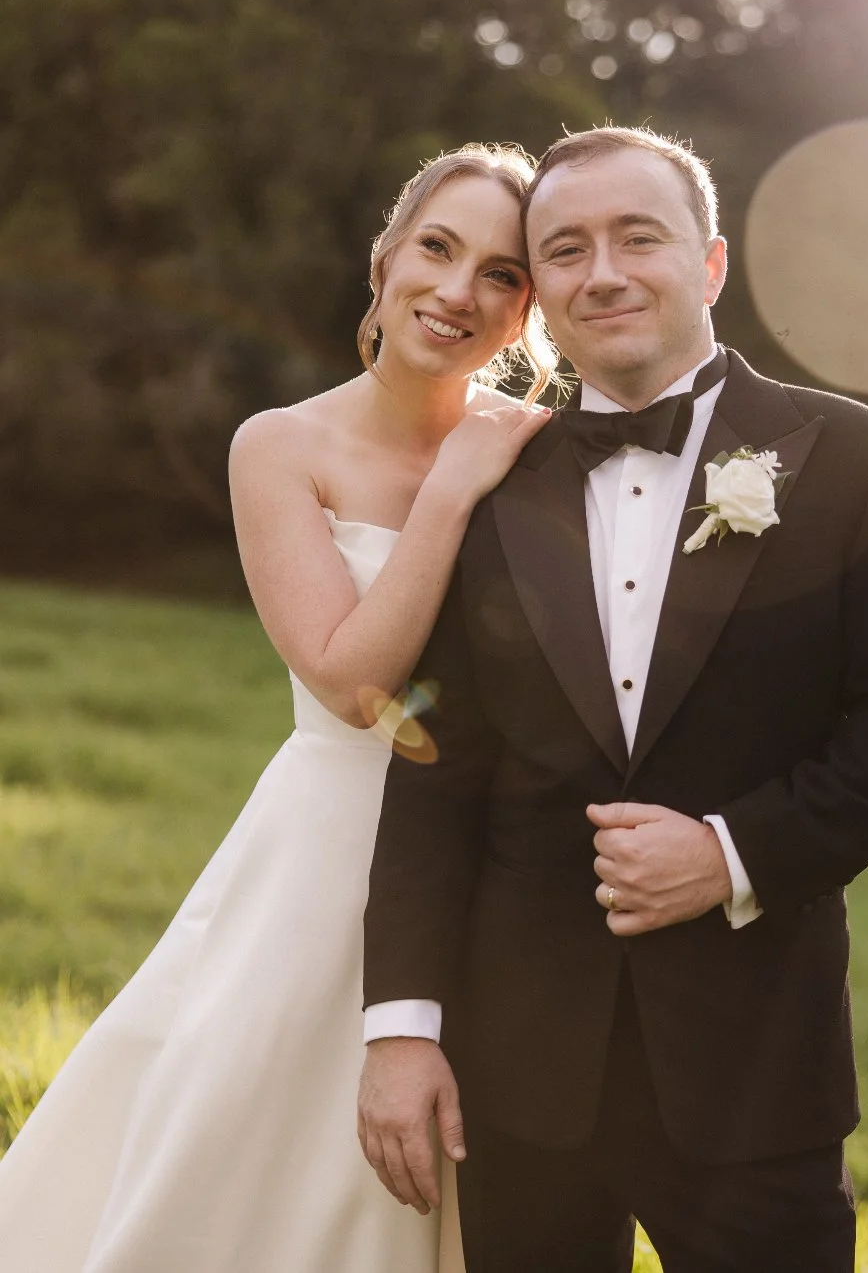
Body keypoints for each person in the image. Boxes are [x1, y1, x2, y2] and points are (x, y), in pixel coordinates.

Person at [357, 126, 868, 1273]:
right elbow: (434, 762)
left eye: (638, 237)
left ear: (709, 264)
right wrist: (401, 1029)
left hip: (755, 1067)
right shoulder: (485, 489)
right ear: (537, 290)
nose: (604, 271)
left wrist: (731, 855)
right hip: (520, 1070)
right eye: (566, 249)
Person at [0, 143, 553, 1273]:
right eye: (438, 249)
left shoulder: (541, 456)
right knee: (249, 1149)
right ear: (385, 258)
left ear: (526, 307)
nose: (458, 291)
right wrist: (453, 490)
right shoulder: (282, 445)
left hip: (492, 872)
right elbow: (352, 686)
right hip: (322, 864)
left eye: (501, 273)